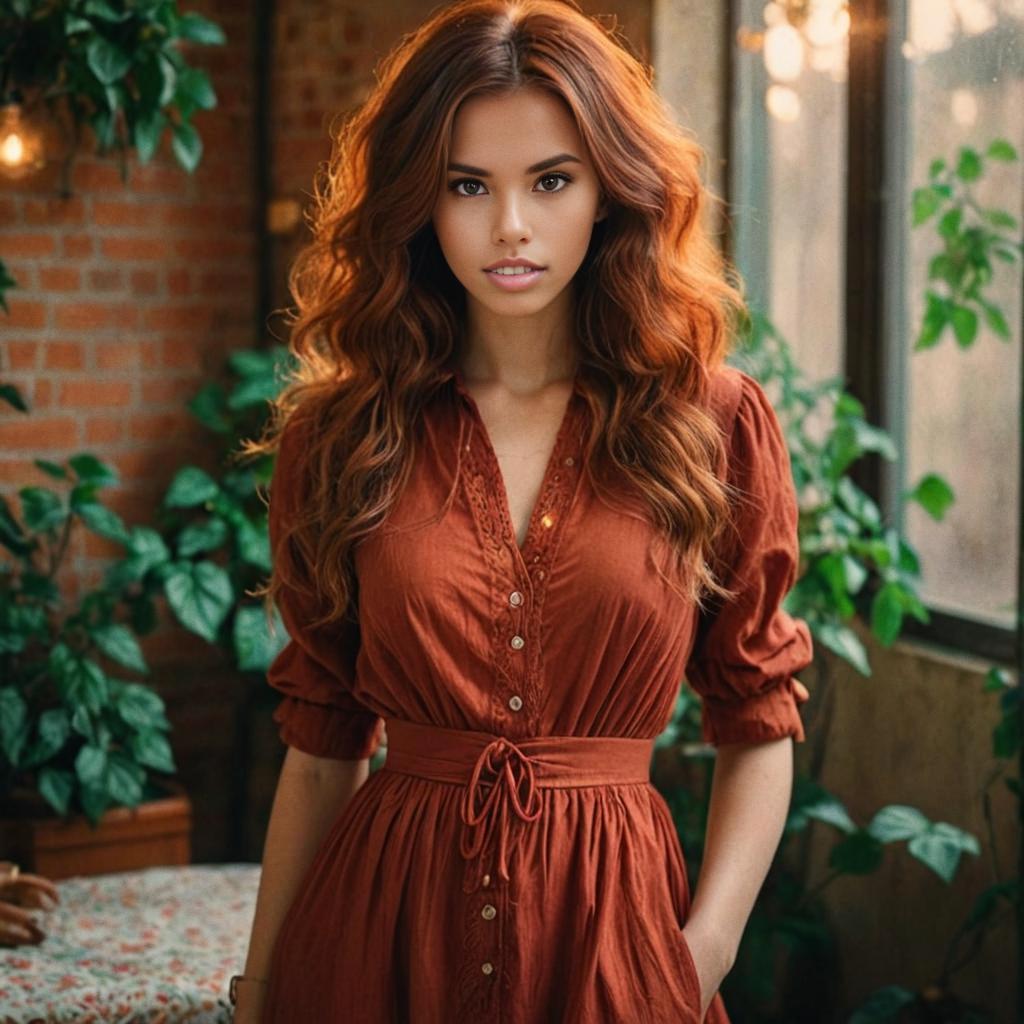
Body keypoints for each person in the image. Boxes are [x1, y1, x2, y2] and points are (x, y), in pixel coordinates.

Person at [234, 1, 814, 1021]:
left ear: (608, 191)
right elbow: (323, 743)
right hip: (377, 951)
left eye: (550, 180)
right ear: (420, 202)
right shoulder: (344, 431)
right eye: (468, 185)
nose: (510, 226)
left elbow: (757, 716)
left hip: (615, 954)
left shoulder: (711, 423)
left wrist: (699, 955)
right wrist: (265, 985)